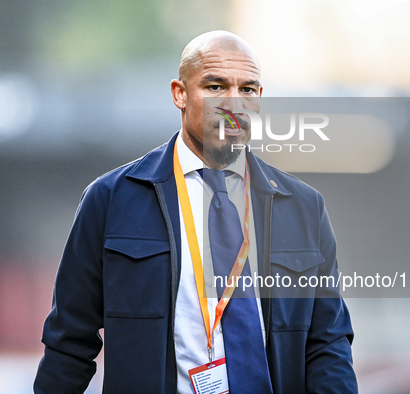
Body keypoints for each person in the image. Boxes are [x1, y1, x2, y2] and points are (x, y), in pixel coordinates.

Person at [34, 30, 357, 393]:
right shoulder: (110, 199)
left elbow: (328, 342)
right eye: (216, 86)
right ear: (180, 94)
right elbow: (69, 341)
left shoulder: (303, 207)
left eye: (248, 89)